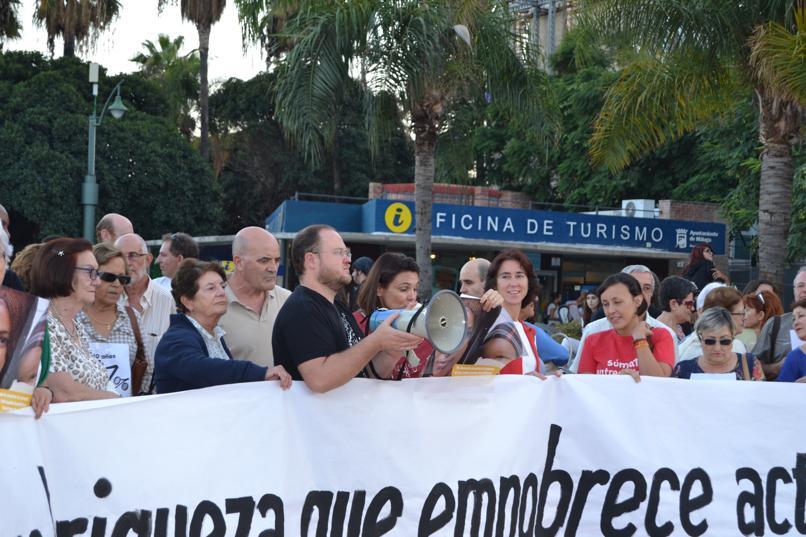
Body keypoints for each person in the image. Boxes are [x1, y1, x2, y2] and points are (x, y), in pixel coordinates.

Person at [272, 225, 423, 393]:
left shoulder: (337, 307)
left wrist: (393, 349)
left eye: (347, 253)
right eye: (338, 253)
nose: (348, 260)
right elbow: (319, 379)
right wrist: (376, 342)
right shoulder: (302, 308)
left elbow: (366, 375)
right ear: (311, 260)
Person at [154, 259, 292, 393]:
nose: (221, 292)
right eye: (211, 288)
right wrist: (260, 373)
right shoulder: (175, 339)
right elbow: (203, 370)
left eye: (222, 286)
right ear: (188, 301)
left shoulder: (214, 335)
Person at [29, 238, 118, 401]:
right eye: (90, 271)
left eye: (96, 273)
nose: (97, 281)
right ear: (63, 272)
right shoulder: (41, 324)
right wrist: (118, 401)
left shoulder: (75, 325)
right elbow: (64, 393)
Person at [570, 265, 678, 372]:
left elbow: (664, 384)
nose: (611, 310)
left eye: (646, 288)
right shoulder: (593, 331)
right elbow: (581, 382)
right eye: (605, 304)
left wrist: (640, 340)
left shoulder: (663, 334)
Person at [76, 244, 148, 395]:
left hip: (123, 412)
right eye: (109, 277)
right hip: (79, 411)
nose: (116, 284)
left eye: (123, 279)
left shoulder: (133, 318)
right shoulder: (71, 317)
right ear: (91, 275)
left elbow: (147, 372)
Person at [219, 227, 290, 368]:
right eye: (264, 261)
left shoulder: (289, 301)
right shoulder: (213, 303)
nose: (273, 268)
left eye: (276, 260)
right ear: (238, 262)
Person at [114, 233, 176, 393]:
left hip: (154, 397)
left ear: (148, 260)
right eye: (121, 257)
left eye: (133, 256)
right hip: (113, 396)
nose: (127, 263)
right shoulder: (108, 298)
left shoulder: (166, 299)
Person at [480, 249, 542, 375]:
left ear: (528, 282)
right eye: (505, 276)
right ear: (495, 284)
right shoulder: (487, 324)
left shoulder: (528, 331)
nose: (513, 283)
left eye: (519, 276)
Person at [672, 307, 764, 380]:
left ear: (732, 338)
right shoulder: (683, 370)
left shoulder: (750, 364)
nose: (717, 348)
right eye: (710, 341)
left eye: (725, 341)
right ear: (700, 339)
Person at [753, 268, 806, 379]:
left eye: (801, 317)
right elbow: (752, 365)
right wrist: (775, 368)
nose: (805, 290)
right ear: (794, 290)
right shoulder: (776, 324)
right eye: (801, 285)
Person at [679, 286, 747, 362]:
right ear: (723, 315)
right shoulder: (697, 353)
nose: (744, 317)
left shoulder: (689, 344)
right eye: (741, 313)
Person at [656, 276, 697, 344]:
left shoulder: (678, 328)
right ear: (673, 304)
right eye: (689, 304)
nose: (693, 308)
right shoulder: (656, 332)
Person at [776, 298, 806, 382]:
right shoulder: (794, 357)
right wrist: (796, 387)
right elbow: (781, 392)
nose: (795, 323)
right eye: (793, 319)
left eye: (801, 316)